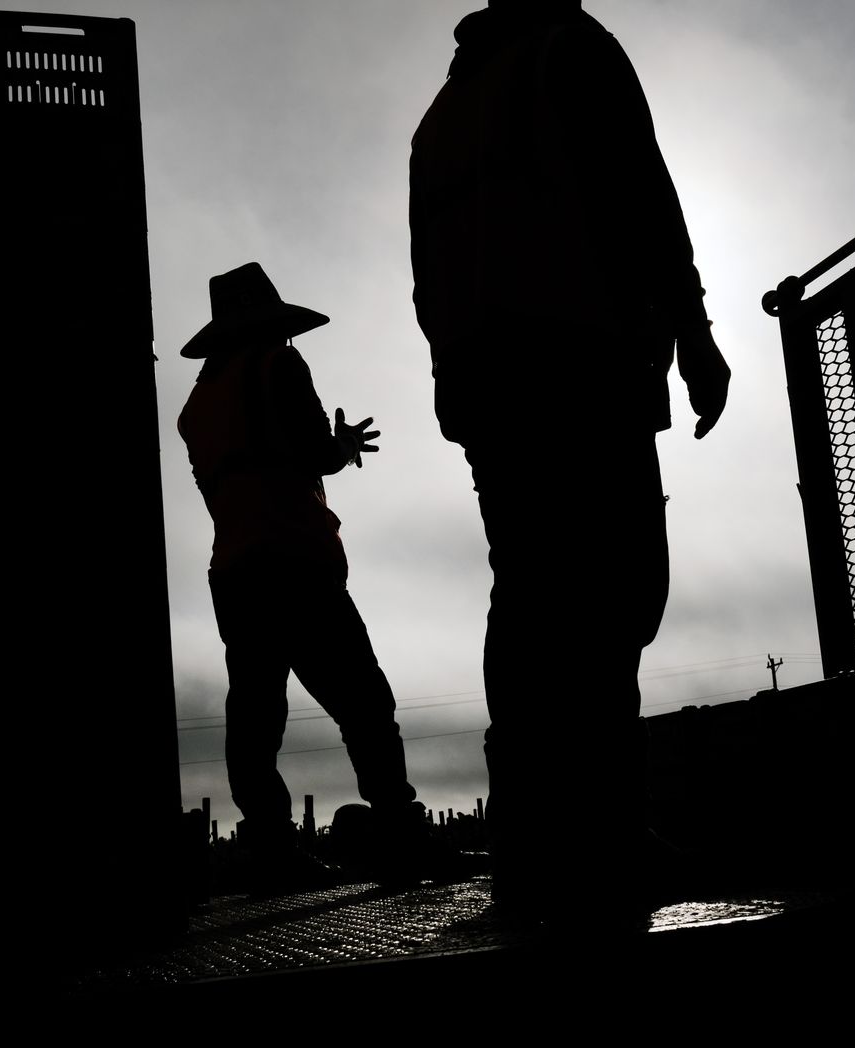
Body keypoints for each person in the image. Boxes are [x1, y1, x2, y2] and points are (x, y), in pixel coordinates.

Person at [409, 0, 731, 921]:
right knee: (611, 599)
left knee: (529, 609)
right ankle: (605, 840)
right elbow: (642, 197)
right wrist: (696, 333)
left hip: (487, 388)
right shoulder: (572, 53)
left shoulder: (443, 112)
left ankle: (533, 855)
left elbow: (427, 276)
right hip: (582, 363)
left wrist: (455, 381)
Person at [178, 262, 425, 889]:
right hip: (297, 562)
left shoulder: (196, 406)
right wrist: (341, 447)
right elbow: (316, 453)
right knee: (364, 703)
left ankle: (272, 852)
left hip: (233, 571)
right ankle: (400, 834)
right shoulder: (279, 366)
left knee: (255, 716)